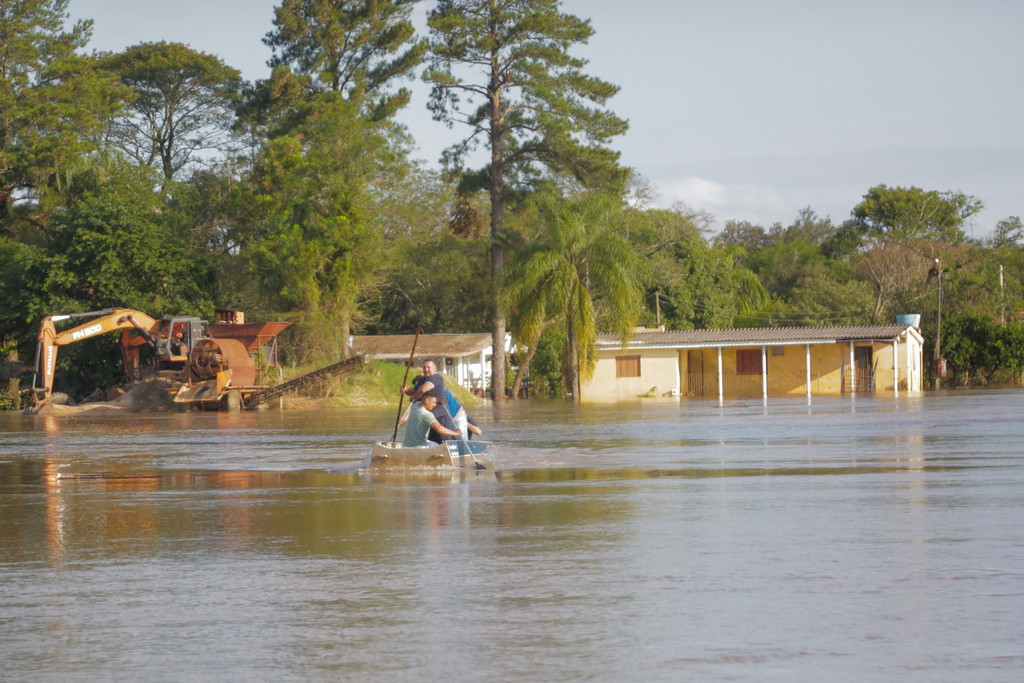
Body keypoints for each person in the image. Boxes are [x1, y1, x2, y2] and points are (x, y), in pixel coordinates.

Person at [403, 360, 458, 439]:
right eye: (424, 367)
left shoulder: (436, 377)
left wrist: (414, 396)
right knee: (430, 442)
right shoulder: (422, 380)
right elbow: (414, 391)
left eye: (428, 367)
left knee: (445, 441)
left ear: (435, 368)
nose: (426, 369)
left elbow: (423, 390)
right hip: (429, 418)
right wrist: (406, 390)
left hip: (440, 417)